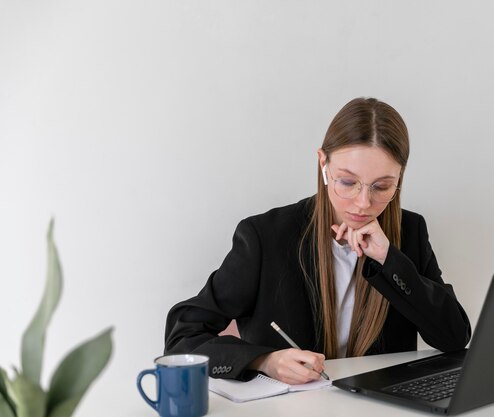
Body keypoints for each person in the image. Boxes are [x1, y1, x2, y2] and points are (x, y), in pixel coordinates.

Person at [164, 97, 471, 385]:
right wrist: (263, 360)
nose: (363, 202)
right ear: (323, 164)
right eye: (348, 182)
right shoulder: (265, 236)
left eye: (382, 186)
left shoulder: (411, 231)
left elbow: (454, 337)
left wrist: (388, 259)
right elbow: (182, 339)